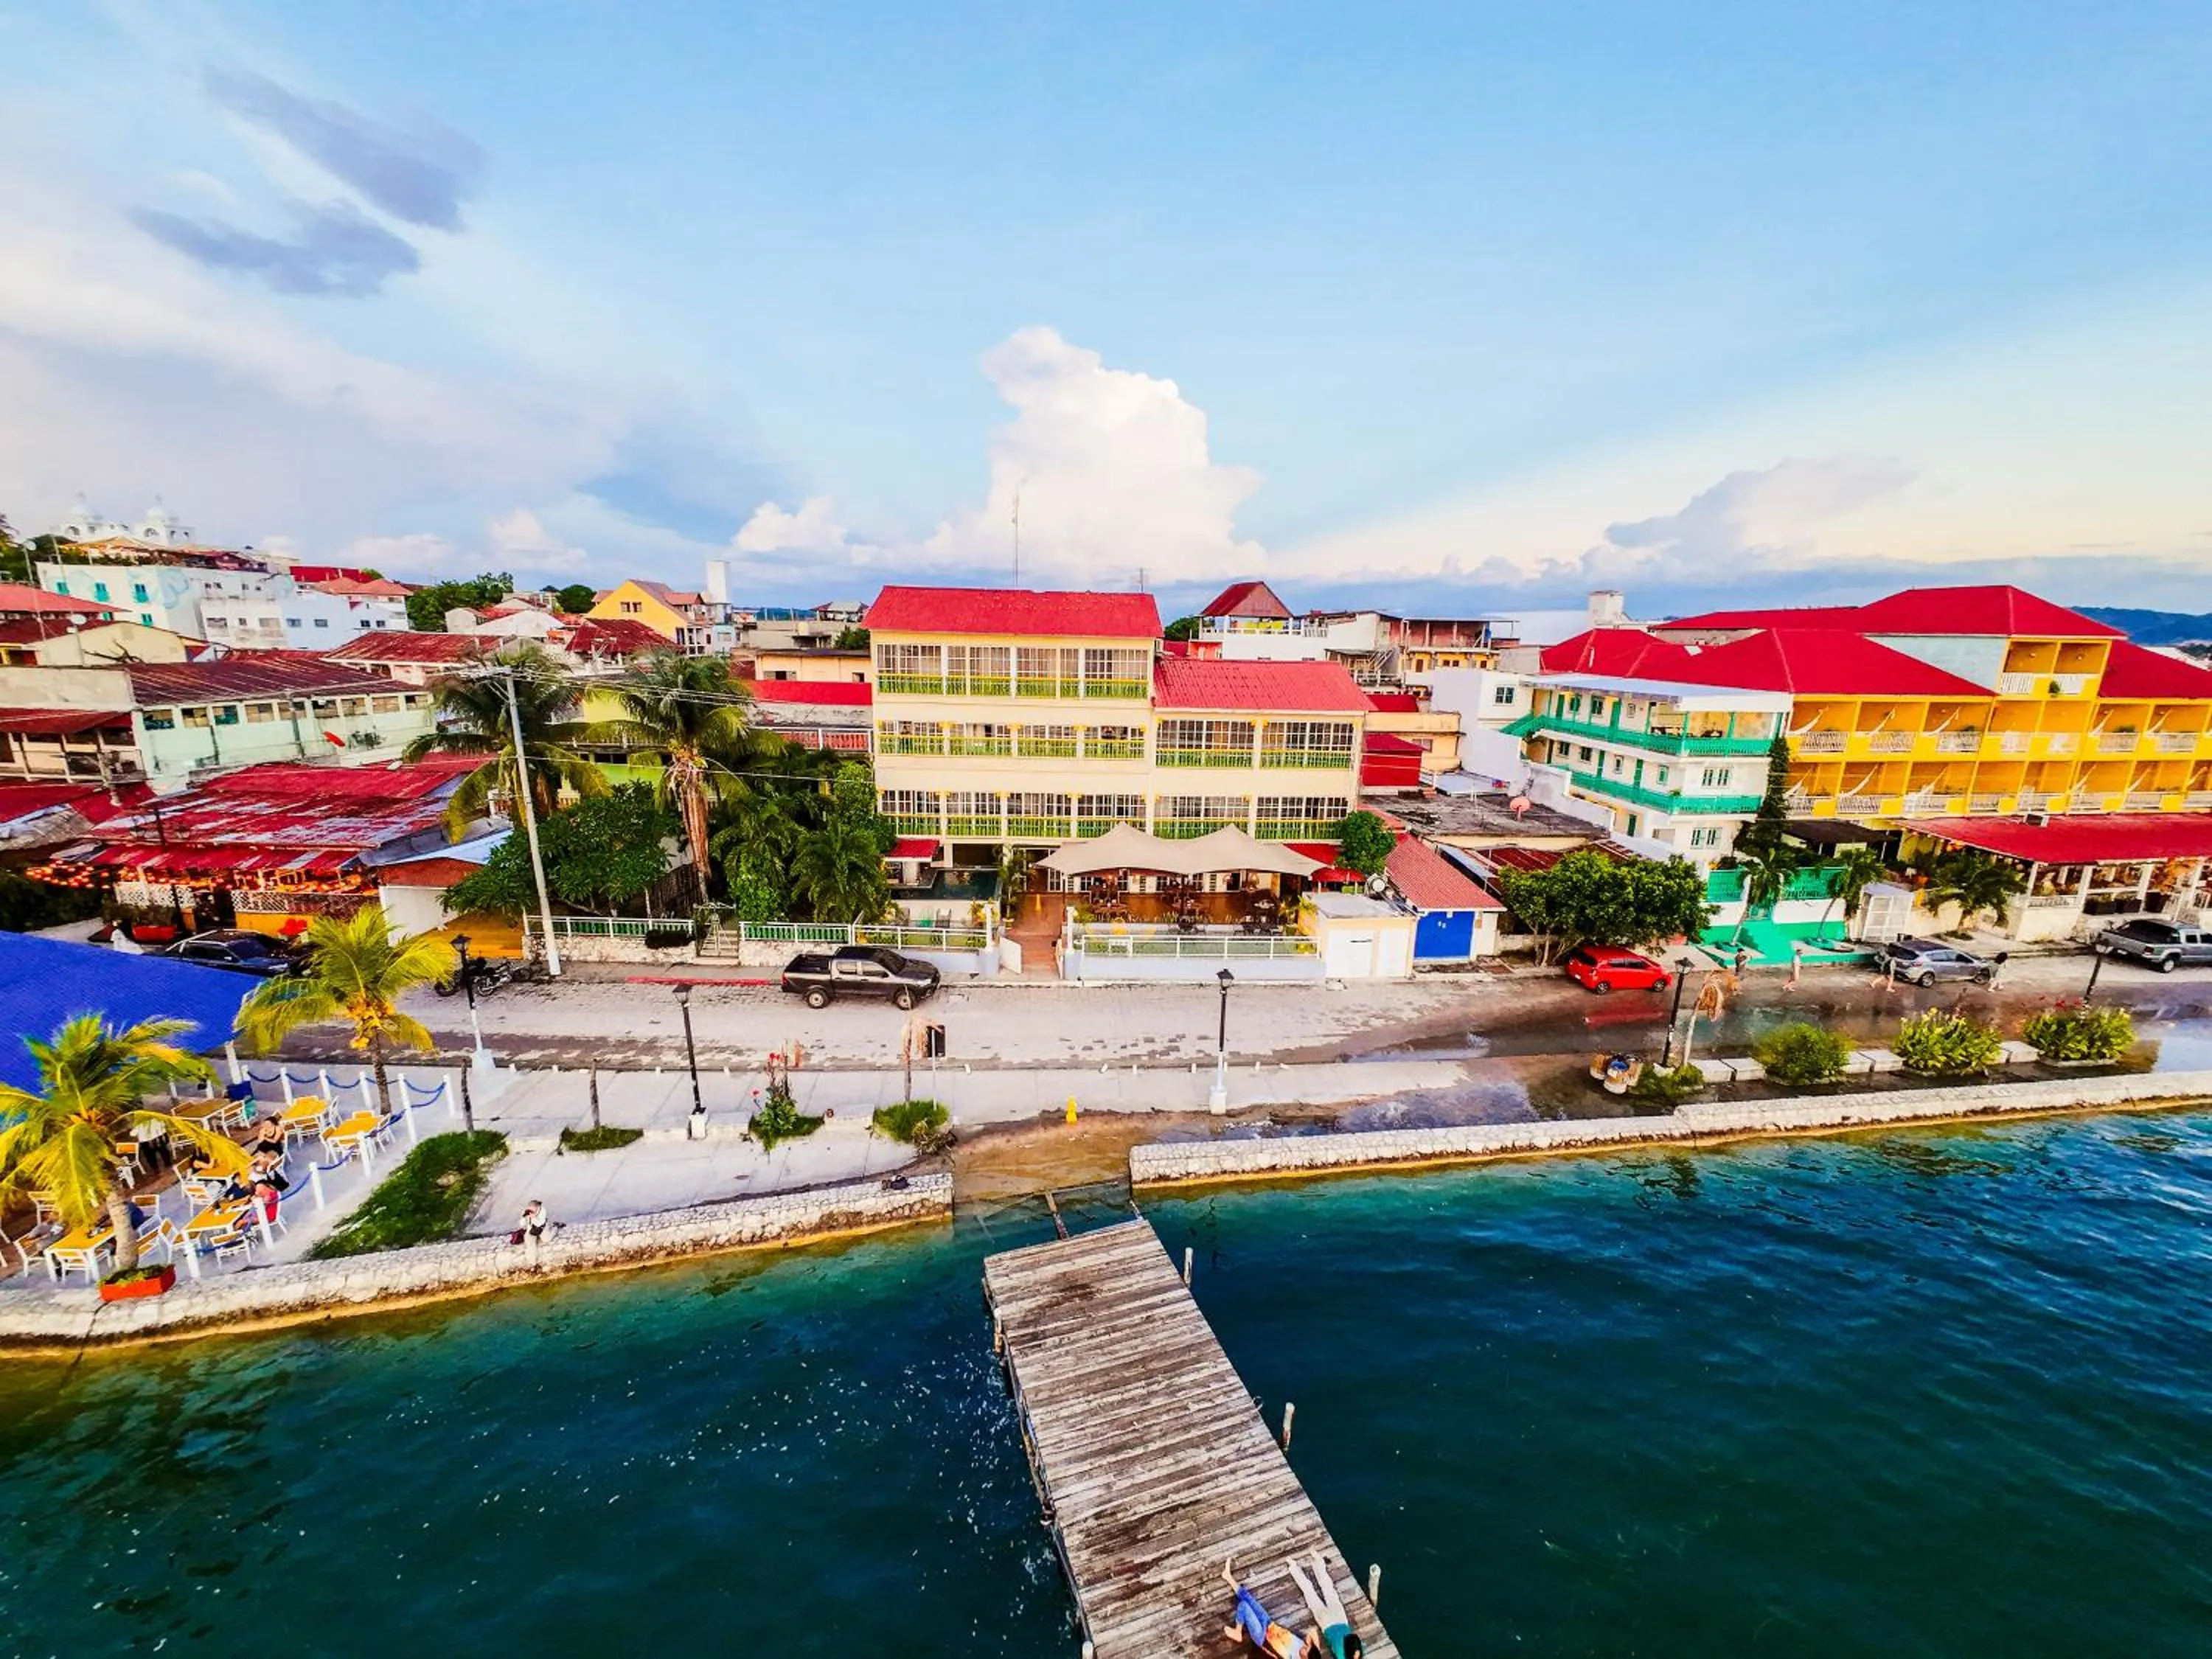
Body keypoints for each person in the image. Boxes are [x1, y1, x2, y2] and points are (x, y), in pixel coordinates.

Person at [1221, 1561, 1322, 1657]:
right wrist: (1314, 1647)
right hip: (1269, 1623)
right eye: (1307, 1646)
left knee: (1244, 1606)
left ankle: (1238, 1632)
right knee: (1248, 1598)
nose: (1304, 1647)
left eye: (1306, 1650)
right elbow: (1313, 1631)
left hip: (1262, 1637)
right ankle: (1228, 1577)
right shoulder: (1307, 1649)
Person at [1285, 1553, 1364, 1659]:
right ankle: (1293, 1567)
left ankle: (1318, 1561)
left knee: (1328, 1588)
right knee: (1310, 1593)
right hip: (1327, 1624)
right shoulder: (1341, 1656)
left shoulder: (1358, 1650)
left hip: (1341, 1619)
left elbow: (1357, 1643)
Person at [521, 1199, 549, 1265]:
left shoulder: (542, 1211)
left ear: (537, 1207)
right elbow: (522, 1225)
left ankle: (554, 1228)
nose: (532, 1211)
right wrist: (524, 1218)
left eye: (533, 1209)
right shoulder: (526, 1212)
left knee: (547, 1239)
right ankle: (532, 1263)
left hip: (542, 1228)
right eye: (530, 1209)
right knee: (530, 1245)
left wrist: (534, 1217)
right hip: (531, 1230)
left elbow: (540, 1224)